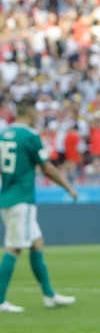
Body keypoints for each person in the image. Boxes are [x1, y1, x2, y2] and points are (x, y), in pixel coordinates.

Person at [0, 98, 77, 313]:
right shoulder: (30, 136)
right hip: (21, 199)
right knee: (14, 247)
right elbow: (47, 168)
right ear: (30, 112)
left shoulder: (3, 134)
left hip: (7, 196)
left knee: (36, 243)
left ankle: (49, 295)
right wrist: (68, 187)